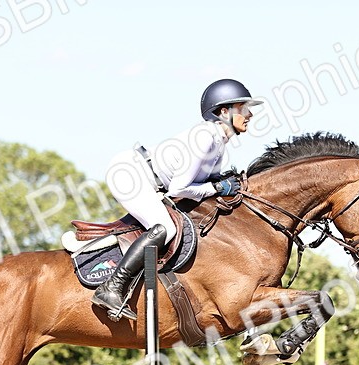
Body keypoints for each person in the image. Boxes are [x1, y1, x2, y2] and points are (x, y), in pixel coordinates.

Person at [92, 78, 263, 321]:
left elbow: (208, 185)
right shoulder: (205, 138)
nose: (250, 114)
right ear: (224, 111)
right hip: (130, 175)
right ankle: (112, 287)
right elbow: (179, 189)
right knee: (166, 228)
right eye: (244, 108)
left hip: (146, 177)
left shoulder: (219, 143)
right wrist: (216, 187)